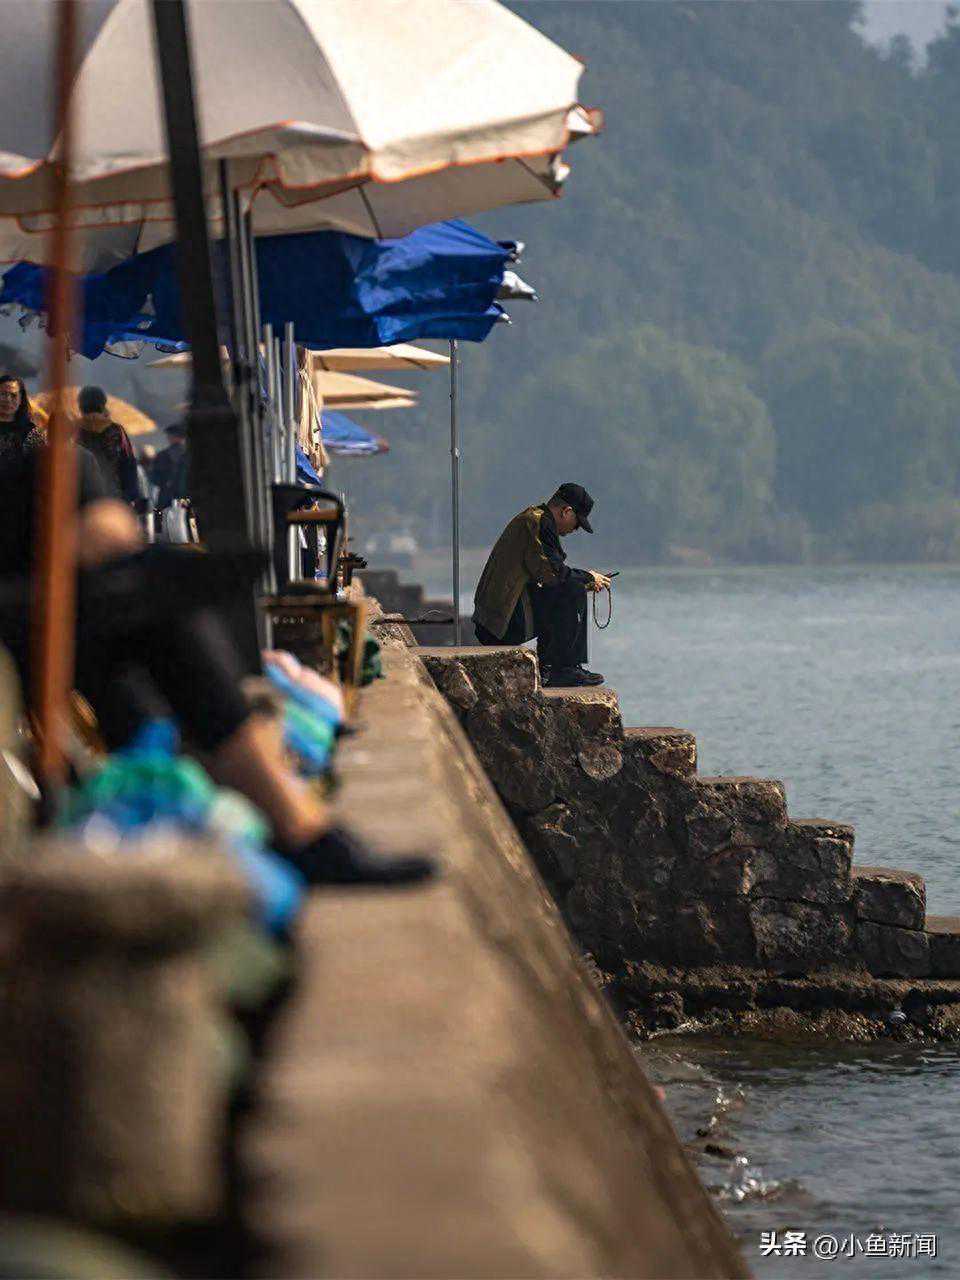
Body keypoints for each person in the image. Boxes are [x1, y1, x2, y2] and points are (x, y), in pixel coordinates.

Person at [0, 373, 430, 888]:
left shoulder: (39, 445)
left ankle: (138, 574)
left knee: (69, 477)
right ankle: (304, 834)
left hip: (48, 590)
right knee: (145, 604)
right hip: (44, 598)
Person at [473, 483, 611, 688]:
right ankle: (561, 669)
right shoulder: (538, 523)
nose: (575, 529)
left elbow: (547, 574)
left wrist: (584, 580)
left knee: (571, 585)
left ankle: (553, 668)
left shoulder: (534, 519)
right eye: (577, 523)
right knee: (572, 589)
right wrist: (588, 578)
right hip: (499, 626)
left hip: (494, 622)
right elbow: (553, 573)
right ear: (566, 511)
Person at [75, 385, 140, 506]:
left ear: (81, 405)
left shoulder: (73, 431)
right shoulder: (117, 431)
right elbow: (128, 464)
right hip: (114, 498)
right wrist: (130, 496)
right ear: (103, 404)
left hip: (82, 500)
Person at [152, 423, 189, 509]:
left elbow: (155, 479)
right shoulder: (192, 455)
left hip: (166, 499)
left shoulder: (162, 455)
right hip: (187, 500)